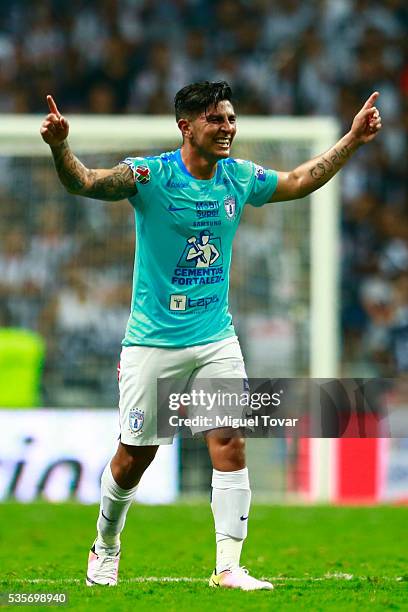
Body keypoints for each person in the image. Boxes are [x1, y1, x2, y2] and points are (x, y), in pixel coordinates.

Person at [40, 81, 382, 590]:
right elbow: (86, 183)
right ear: (186, 126)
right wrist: (60, 146)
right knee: (135, 457)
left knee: (229, 442)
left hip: (215, 338)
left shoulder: (238, 178)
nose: (227, 129)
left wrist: (351, 140)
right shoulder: (149, 175)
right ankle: (105, 546)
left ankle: (228, 567)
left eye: (230, 119)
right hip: (152, 342)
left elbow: (297, 179)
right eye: (216, 120)